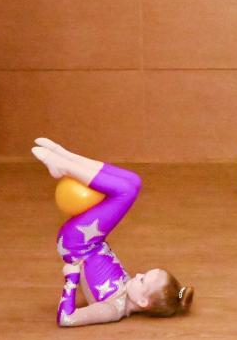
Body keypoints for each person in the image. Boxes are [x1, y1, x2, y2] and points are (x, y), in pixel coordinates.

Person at [31, 138, 193, 327]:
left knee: (125, 192)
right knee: (134, 181)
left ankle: (64, 166)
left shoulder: (113, 309)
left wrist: (71, 279)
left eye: (142, 280)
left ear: (143, 302)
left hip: (76, 243)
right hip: (91, 240)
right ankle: (66, 157)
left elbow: (67, 319)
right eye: (143, 274)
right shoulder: (128, 287)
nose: (138, 274)